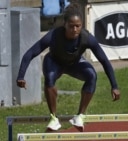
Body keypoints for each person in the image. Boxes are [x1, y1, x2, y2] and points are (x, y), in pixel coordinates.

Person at [16, 2, 120, 131]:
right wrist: (21, 76)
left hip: (74, 64)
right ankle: (54, 118)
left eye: (78, 26)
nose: (75, 30)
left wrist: (114, 86)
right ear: (64, 24)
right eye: (71, 26)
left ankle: (80, 116)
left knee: (92, 75)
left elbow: (104, 61)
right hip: (54, 62)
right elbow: (30, 53)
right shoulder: (53, 35)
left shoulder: (87, 38)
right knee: (49, 77)